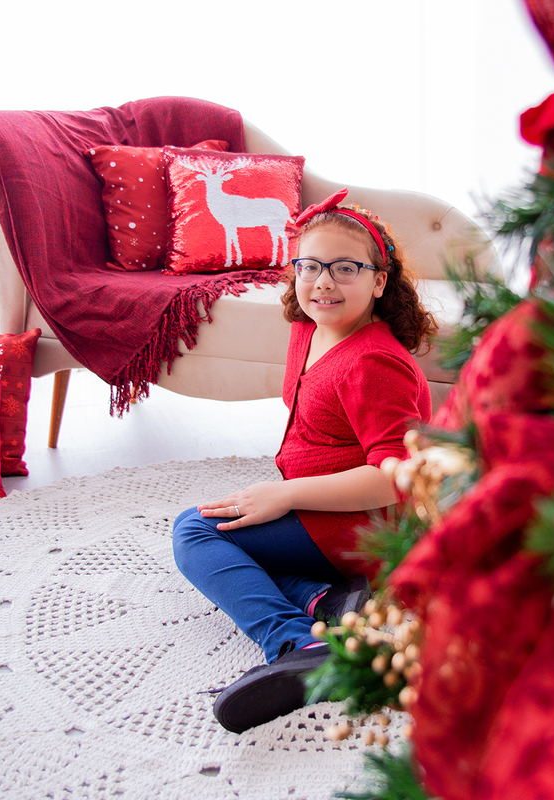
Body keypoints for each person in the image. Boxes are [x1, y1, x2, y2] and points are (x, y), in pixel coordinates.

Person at [171, 188, 438, 733]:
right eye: (310, 266)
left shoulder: (375, 364)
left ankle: (295, 643)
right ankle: (324, 598)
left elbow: (393, 477)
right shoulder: (306, 329)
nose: (323, 283)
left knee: (197, 534)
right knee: (238, 544)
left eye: (345, 269)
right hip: (330, 512)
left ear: (379, 281)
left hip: (367, 522)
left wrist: (287, 494)